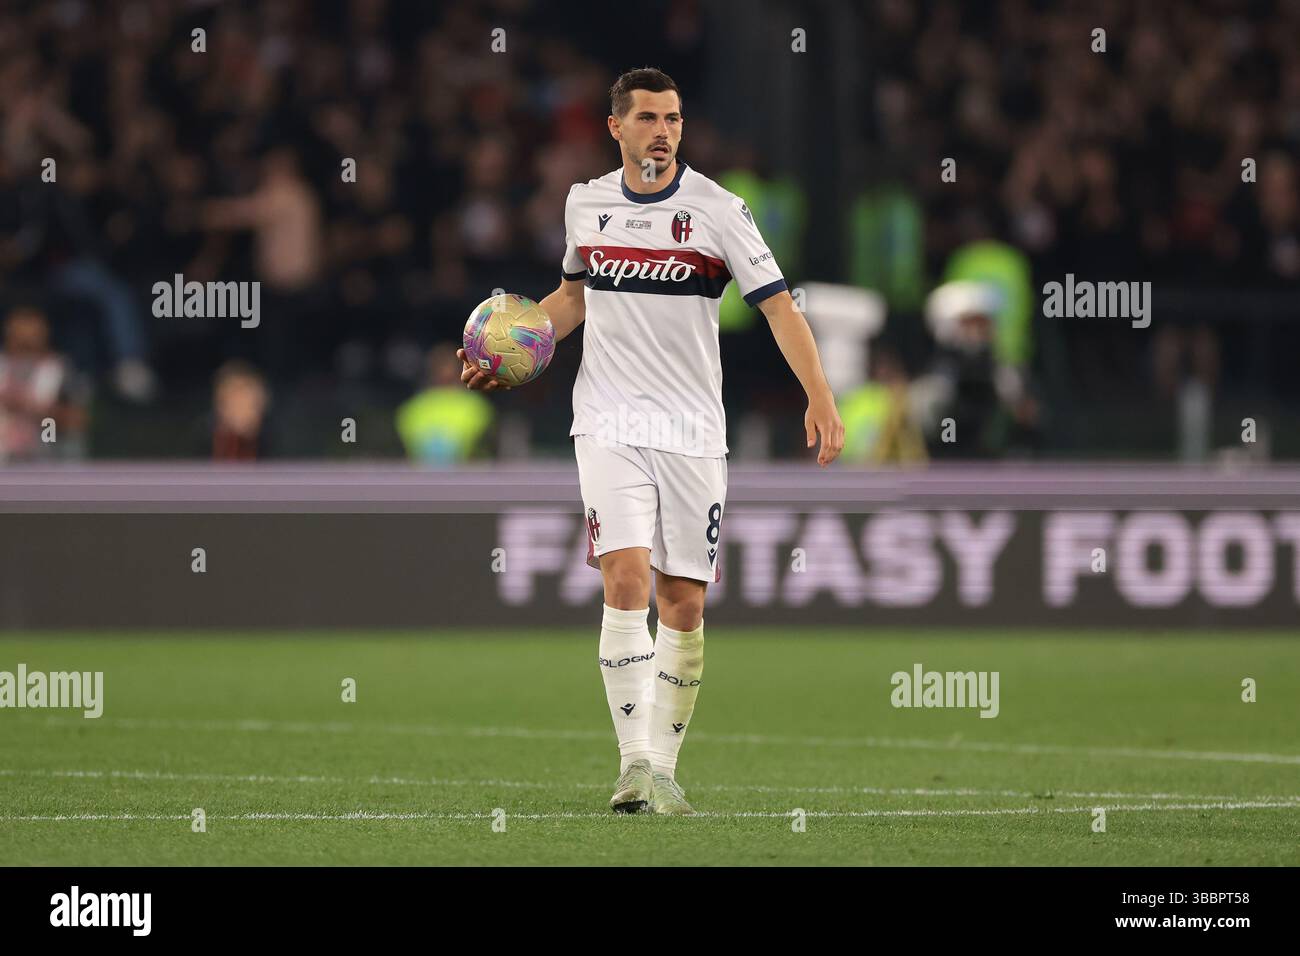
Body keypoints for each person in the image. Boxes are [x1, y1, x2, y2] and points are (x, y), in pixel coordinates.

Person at [457, 68, 844, 815]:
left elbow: (778, 307)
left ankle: (665, 769)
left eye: (673, 118)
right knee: (625, 580)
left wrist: (819, 394)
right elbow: (571, 298)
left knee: (683, 602)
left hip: (693, 430)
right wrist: (512, 349)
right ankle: (635, 765)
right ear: (616, 128)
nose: (663, 130)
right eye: (647, 118)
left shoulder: (721, 211)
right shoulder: (586, 204)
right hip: (607, 420)